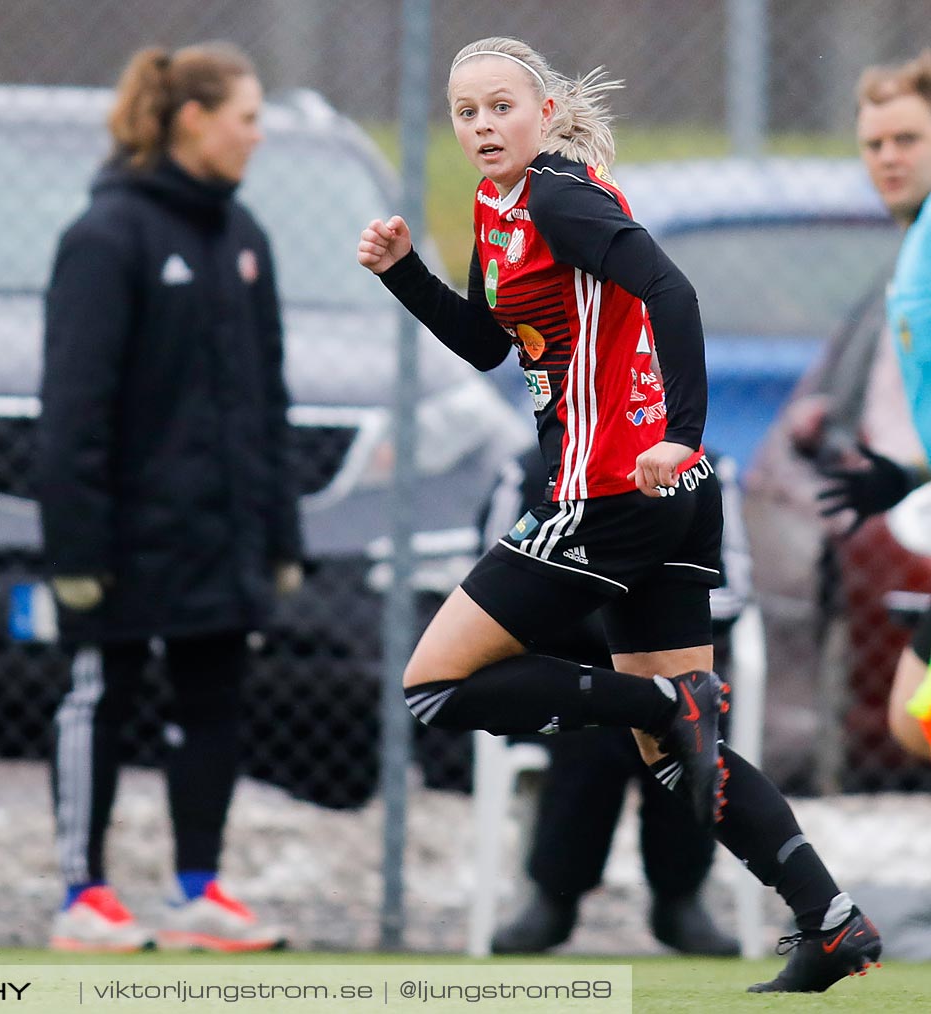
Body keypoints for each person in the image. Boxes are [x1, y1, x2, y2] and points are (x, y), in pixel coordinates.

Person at [355, 36, 881, 992]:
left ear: (545, 111)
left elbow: (669, 288)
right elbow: (486, 344)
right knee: (684, 758)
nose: (481, 125)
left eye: (500, 106)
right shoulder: (499, 206)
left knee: (434, 683)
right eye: (465, 111)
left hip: (613, 490)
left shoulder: (559, 194)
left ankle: (659, 705)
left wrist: (681, 430)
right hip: (659, 501)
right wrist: (403, 274)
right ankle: (831, 919)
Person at [33, 40, 299, 954]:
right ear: (193, 119)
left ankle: (198, 892)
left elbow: (267, 400)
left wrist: (280, 532)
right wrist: (74, 555)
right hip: (121, 542)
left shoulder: (245, 240)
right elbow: (73, 412)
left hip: (218, 539)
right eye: (247, 118)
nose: (258, 137)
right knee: (98, 696)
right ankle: (83, 897)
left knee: (213, 702)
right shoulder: (106, 238)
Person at [482, 445, 745, 956]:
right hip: (564, 668)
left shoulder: (706, 472)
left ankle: (679, 897)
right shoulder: (531, 469)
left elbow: (733, 588)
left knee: (685, 720)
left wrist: (653, 622)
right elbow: (490, 586)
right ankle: (555, 897)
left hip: (671, 664)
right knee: (594, 726)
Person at [816, 51, 931, 765]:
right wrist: (911, 473)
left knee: (915, 716)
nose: (887, 157)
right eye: (874, 144)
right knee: (912, 716)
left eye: (908, 140)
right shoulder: (916, 240)